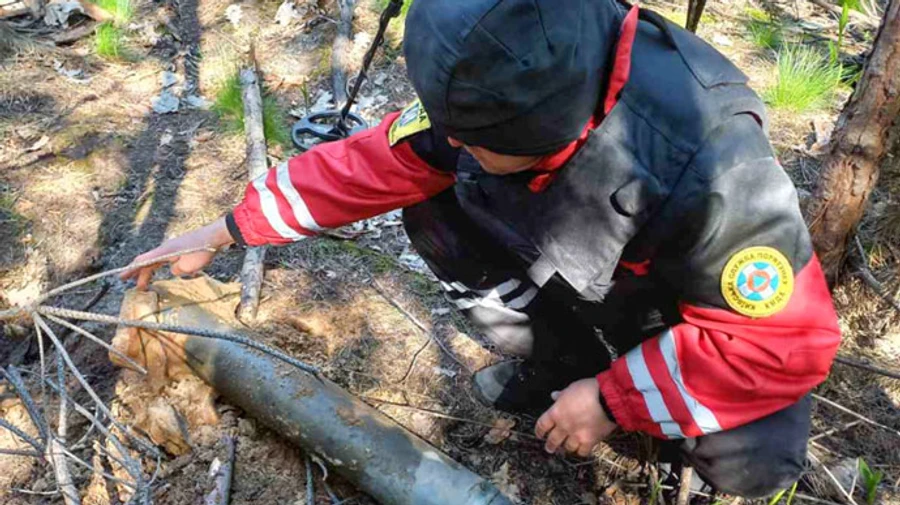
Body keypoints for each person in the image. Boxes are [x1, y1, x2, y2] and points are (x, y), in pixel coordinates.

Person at [122, 0, 842, 498]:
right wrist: (228, 228)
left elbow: (784, 344)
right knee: (431, 199)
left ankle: (620, 398)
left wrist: (615, 400)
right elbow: (376, 161)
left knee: (756, 458)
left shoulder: (714, 166)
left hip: (682, 319)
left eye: (476, 138)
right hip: (581, 266)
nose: (453, 141)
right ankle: (559, 364)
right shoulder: (503, 68)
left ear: (550, 133)